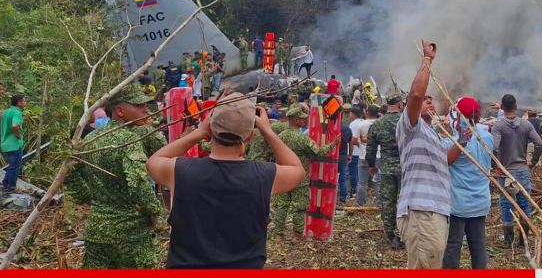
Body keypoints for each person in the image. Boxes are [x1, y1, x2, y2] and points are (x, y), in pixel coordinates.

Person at [146, 93, 305, 269]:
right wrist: (268, 132)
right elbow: (297, 169)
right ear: (250, 136)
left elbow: (154, 161)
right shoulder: (264, 175)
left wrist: (198, 133)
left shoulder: (179, 170)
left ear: (210, 128)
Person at [63, 85, 162, 268]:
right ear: (120, 111)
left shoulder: (91, 139)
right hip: (130, 234)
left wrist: (89, 197)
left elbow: (68, 172)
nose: (145, 110)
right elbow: (139, 183)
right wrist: (154, 211)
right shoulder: (128, 141)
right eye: (138, 105)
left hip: (96, 231)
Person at [395, 40, 450, 269]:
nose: (429, 100)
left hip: (436, 210)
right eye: (425, 98)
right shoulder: (411, 126)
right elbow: (416, 94)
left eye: (431, 98)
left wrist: (465, 140)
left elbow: (446, 160)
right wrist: (427, 59)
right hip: (422, 210)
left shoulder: (433, 132)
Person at [272, 104, 340, 241]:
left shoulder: (279, 136)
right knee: (299, 206)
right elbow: (319, 151)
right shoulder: (302, 138)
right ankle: (297, 235)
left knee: (281, 205)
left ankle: (278, 234)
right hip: (299, 177)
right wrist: (333, 143)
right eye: (303, 119)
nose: (306, 121)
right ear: (296, 120)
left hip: (282, 175)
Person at [443, 97, 493, 269]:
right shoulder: (488, 138)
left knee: (453, 245)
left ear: (459, 116)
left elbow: (445, 160)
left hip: (458, 204)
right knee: (478, 245)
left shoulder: (453, 143)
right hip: (480, 201)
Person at [491, 94, 542, 245]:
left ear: (502, 107)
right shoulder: (526, 125)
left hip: (508, 174)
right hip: (523, 172)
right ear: (516, 107)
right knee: (524, 204)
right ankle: (524, 240)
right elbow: (539, 144)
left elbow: (493, 147)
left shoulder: (498, 126)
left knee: (507, 205)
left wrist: (495, 166)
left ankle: (509, 241)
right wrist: (533, 162)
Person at [366, 92, 404, 249]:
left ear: (387, 105)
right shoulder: (406, 122)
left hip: (386, 168)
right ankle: (402, 233)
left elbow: (370, 150)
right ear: (400, 104)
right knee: (404, 201)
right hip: (405, 168)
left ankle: (390, 234)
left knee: (388, 201)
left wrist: (372, 166)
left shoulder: (377, 124)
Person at [355, 105, 380, 206]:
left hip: (363, 156)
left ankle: (360, 204)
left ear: (367, 112)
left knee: (362, 182)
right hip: (378, 155)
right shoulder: (380, 124)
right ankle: (379, 204)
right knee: (378, 182)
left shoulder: (361, 124)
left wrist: (361, 145)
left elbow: (353, 140)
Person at [1, 94, 27, 191]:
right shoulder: (17, 112)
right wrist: (18, 136)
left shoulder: (6, 111)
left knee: (12, 165)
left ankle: (4, 184)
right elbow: (14, 126)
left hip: (5, 143)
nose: (25, 103)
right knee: (15, 166)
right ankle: (11, 187)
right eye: (24, 101)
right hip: (14, 143)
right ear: (19, 103)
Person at [346, 106, 364, 200]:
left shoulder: (353, 124)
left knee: (353, 172)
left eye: (350, 113)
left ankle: (354, 191)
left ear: (353, 114)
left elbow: (351, 140)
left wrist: (349, 153)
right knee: (361, 172)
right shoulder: (364, 122)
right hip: (363, 151)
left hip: (355, 152)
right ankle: (361, 190)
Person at [337, 122, 355, 204]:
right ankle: (343, 198)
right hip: (343, 157)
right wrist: (350, 155)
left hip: (331, 157)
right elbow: (351, 143)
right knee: (343, 179)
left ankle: (331, 197)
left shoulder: (329, 127)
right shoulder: (347, 129)